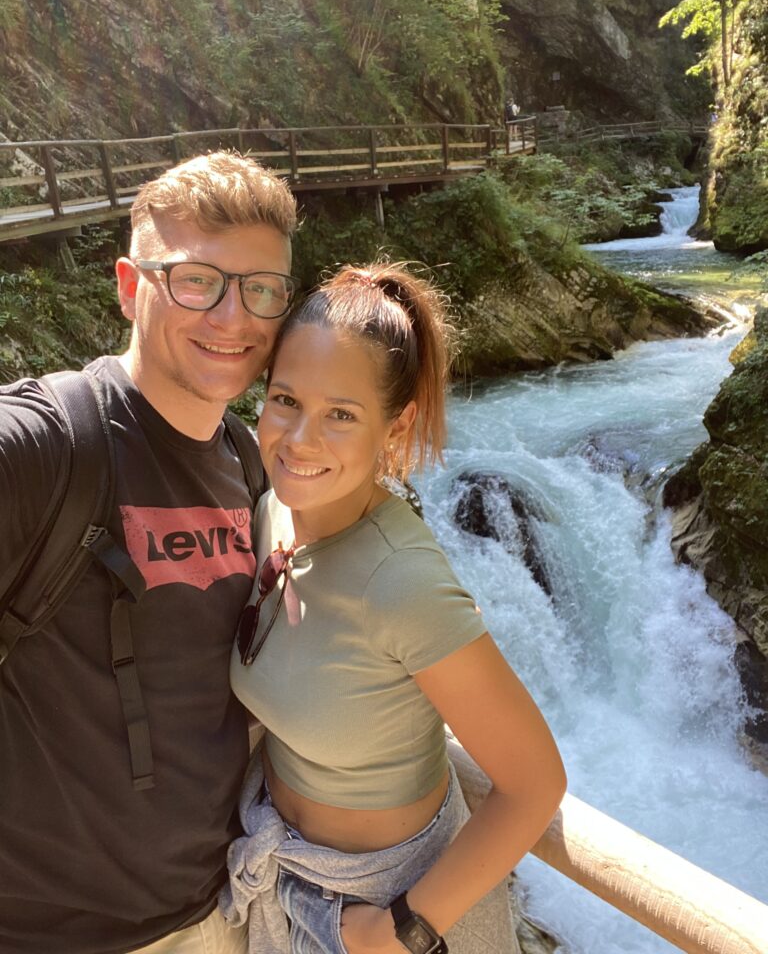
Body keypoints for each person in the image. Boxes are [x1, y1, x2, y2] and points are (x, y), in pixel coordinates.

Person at [0, 151, 298, 954]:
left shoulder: (248, 460)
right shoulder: (51, 445)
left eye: (262, 289)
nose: (233, 318)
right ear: (131, 288)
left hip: (219, 909)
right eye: (196, 281)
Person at [221, 263, 566, 954]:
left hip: (386, 901)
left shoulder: (401, 582)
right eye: (285, 399)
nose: (300, 439)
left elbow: (535, 784)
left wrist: (399, 930)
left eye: (341, 414)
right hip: (280, 871)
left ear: (395, 424)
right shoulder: (271, 513)